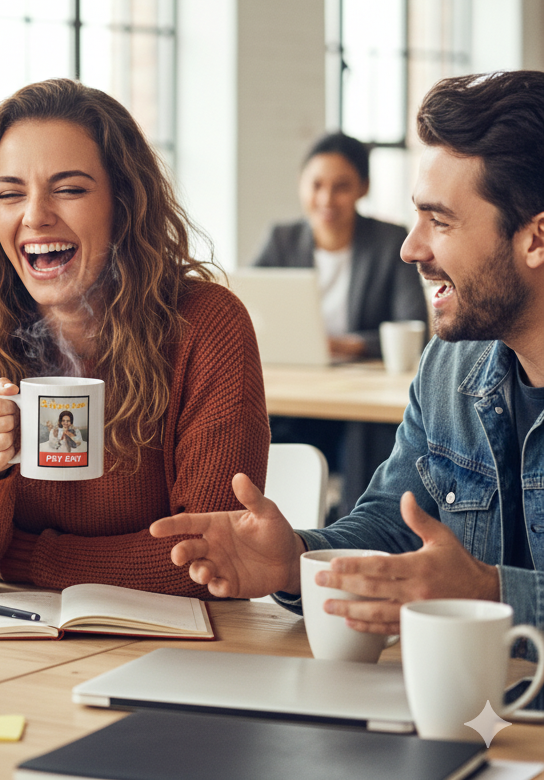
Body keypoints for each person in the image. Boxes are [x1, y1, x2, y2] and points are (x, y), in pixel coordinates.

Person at [151, 70, 544, 653]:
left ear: (536, 240)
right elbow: (391, 522)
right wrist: (298, 560)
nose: (411, 247)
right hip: (473, 708)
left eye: (440, 220)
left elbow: (475, 588)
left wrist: (491, 594)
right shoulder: (449, 368)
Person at [0, 78, 269, 595]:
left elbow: (213, 555)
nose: (34, 216)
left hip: (172, 650)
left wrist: (29, 556)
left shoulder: (205, 325)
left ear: (123, 204)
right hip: (16, 640)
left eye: (70, 189)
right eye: (10, 193)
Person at [255, 132, 429, 509]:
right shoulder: (282, 240)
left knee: (364, 434)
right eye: (316, 185)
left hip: (358, 391)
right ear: (302, 185)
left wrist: (347, 345)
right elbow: (249, 309)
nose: (326, 199)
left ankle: (355, 525)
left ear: (363, 188)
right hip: (298, 388)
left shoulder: (389, 241)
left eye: (341, 187)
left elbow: (414, 325)